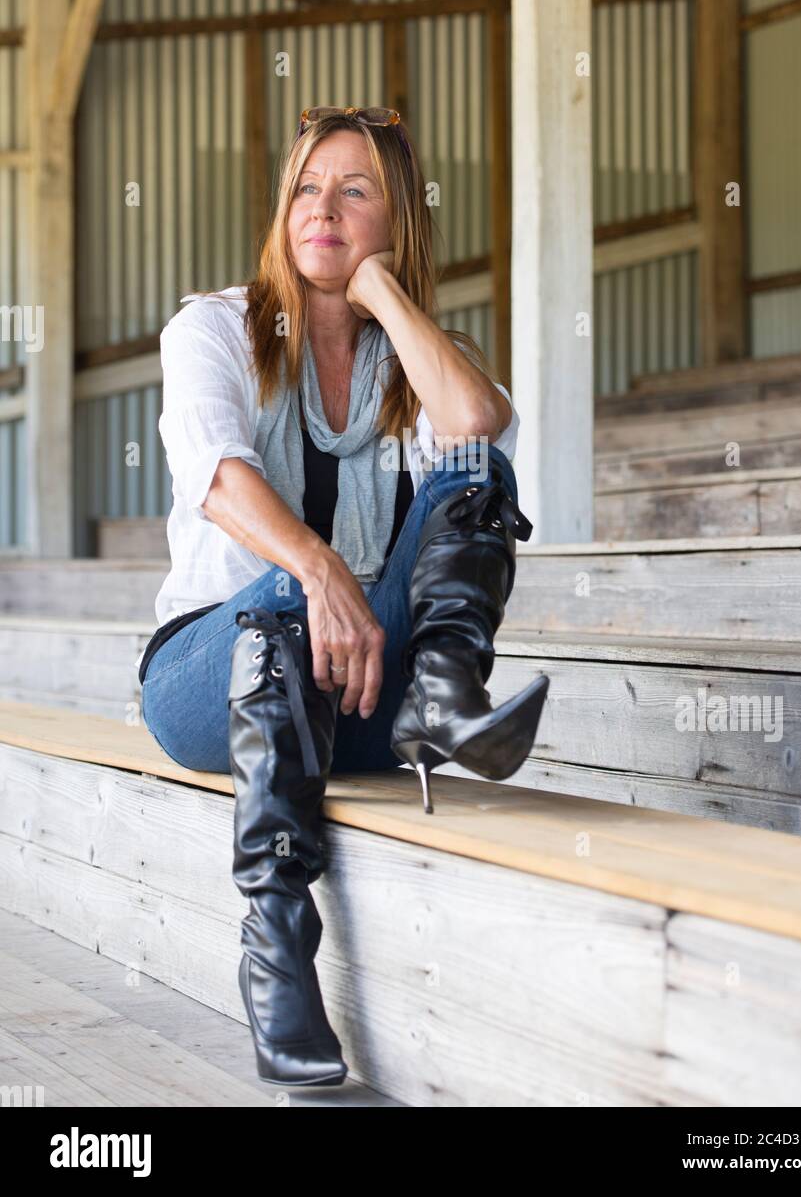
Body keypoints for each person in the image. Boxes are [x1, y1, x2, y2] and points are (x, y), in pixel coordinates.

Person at [137, 105, 549, 1089]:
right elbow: (215, 473)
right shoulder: (215, 329)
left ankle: (443, 699)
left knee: (476, 474)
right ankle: (276, 952)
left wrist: (379, 291)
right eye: (307, 189)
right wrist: (319, 568)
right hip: (212, 674)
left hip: (358, 695)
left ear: (398, 219)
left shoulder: (409, 363)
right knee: (278, 596)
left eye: (356, 191)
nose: (323, 206)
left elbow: (479, 430)